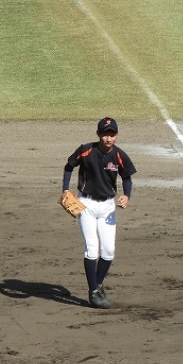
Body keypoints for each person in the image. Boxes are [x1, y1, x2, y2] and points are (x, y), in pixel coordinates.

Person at [60, 117, 136, 309]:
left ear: (116, 135)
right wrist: (65, 189)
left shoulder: (119, 155)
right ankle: (94, 293)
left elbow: (127, 178)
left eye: (112, 134)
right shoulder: (86, 150)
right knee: (92, 249)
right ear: (98, 134)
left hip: (108, 206)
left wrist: (126, 196)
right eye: (105, 134)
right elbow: (69, 166)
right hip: (86, 204)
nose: (108, 138)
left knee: (109, 250)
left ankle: (97, 285)